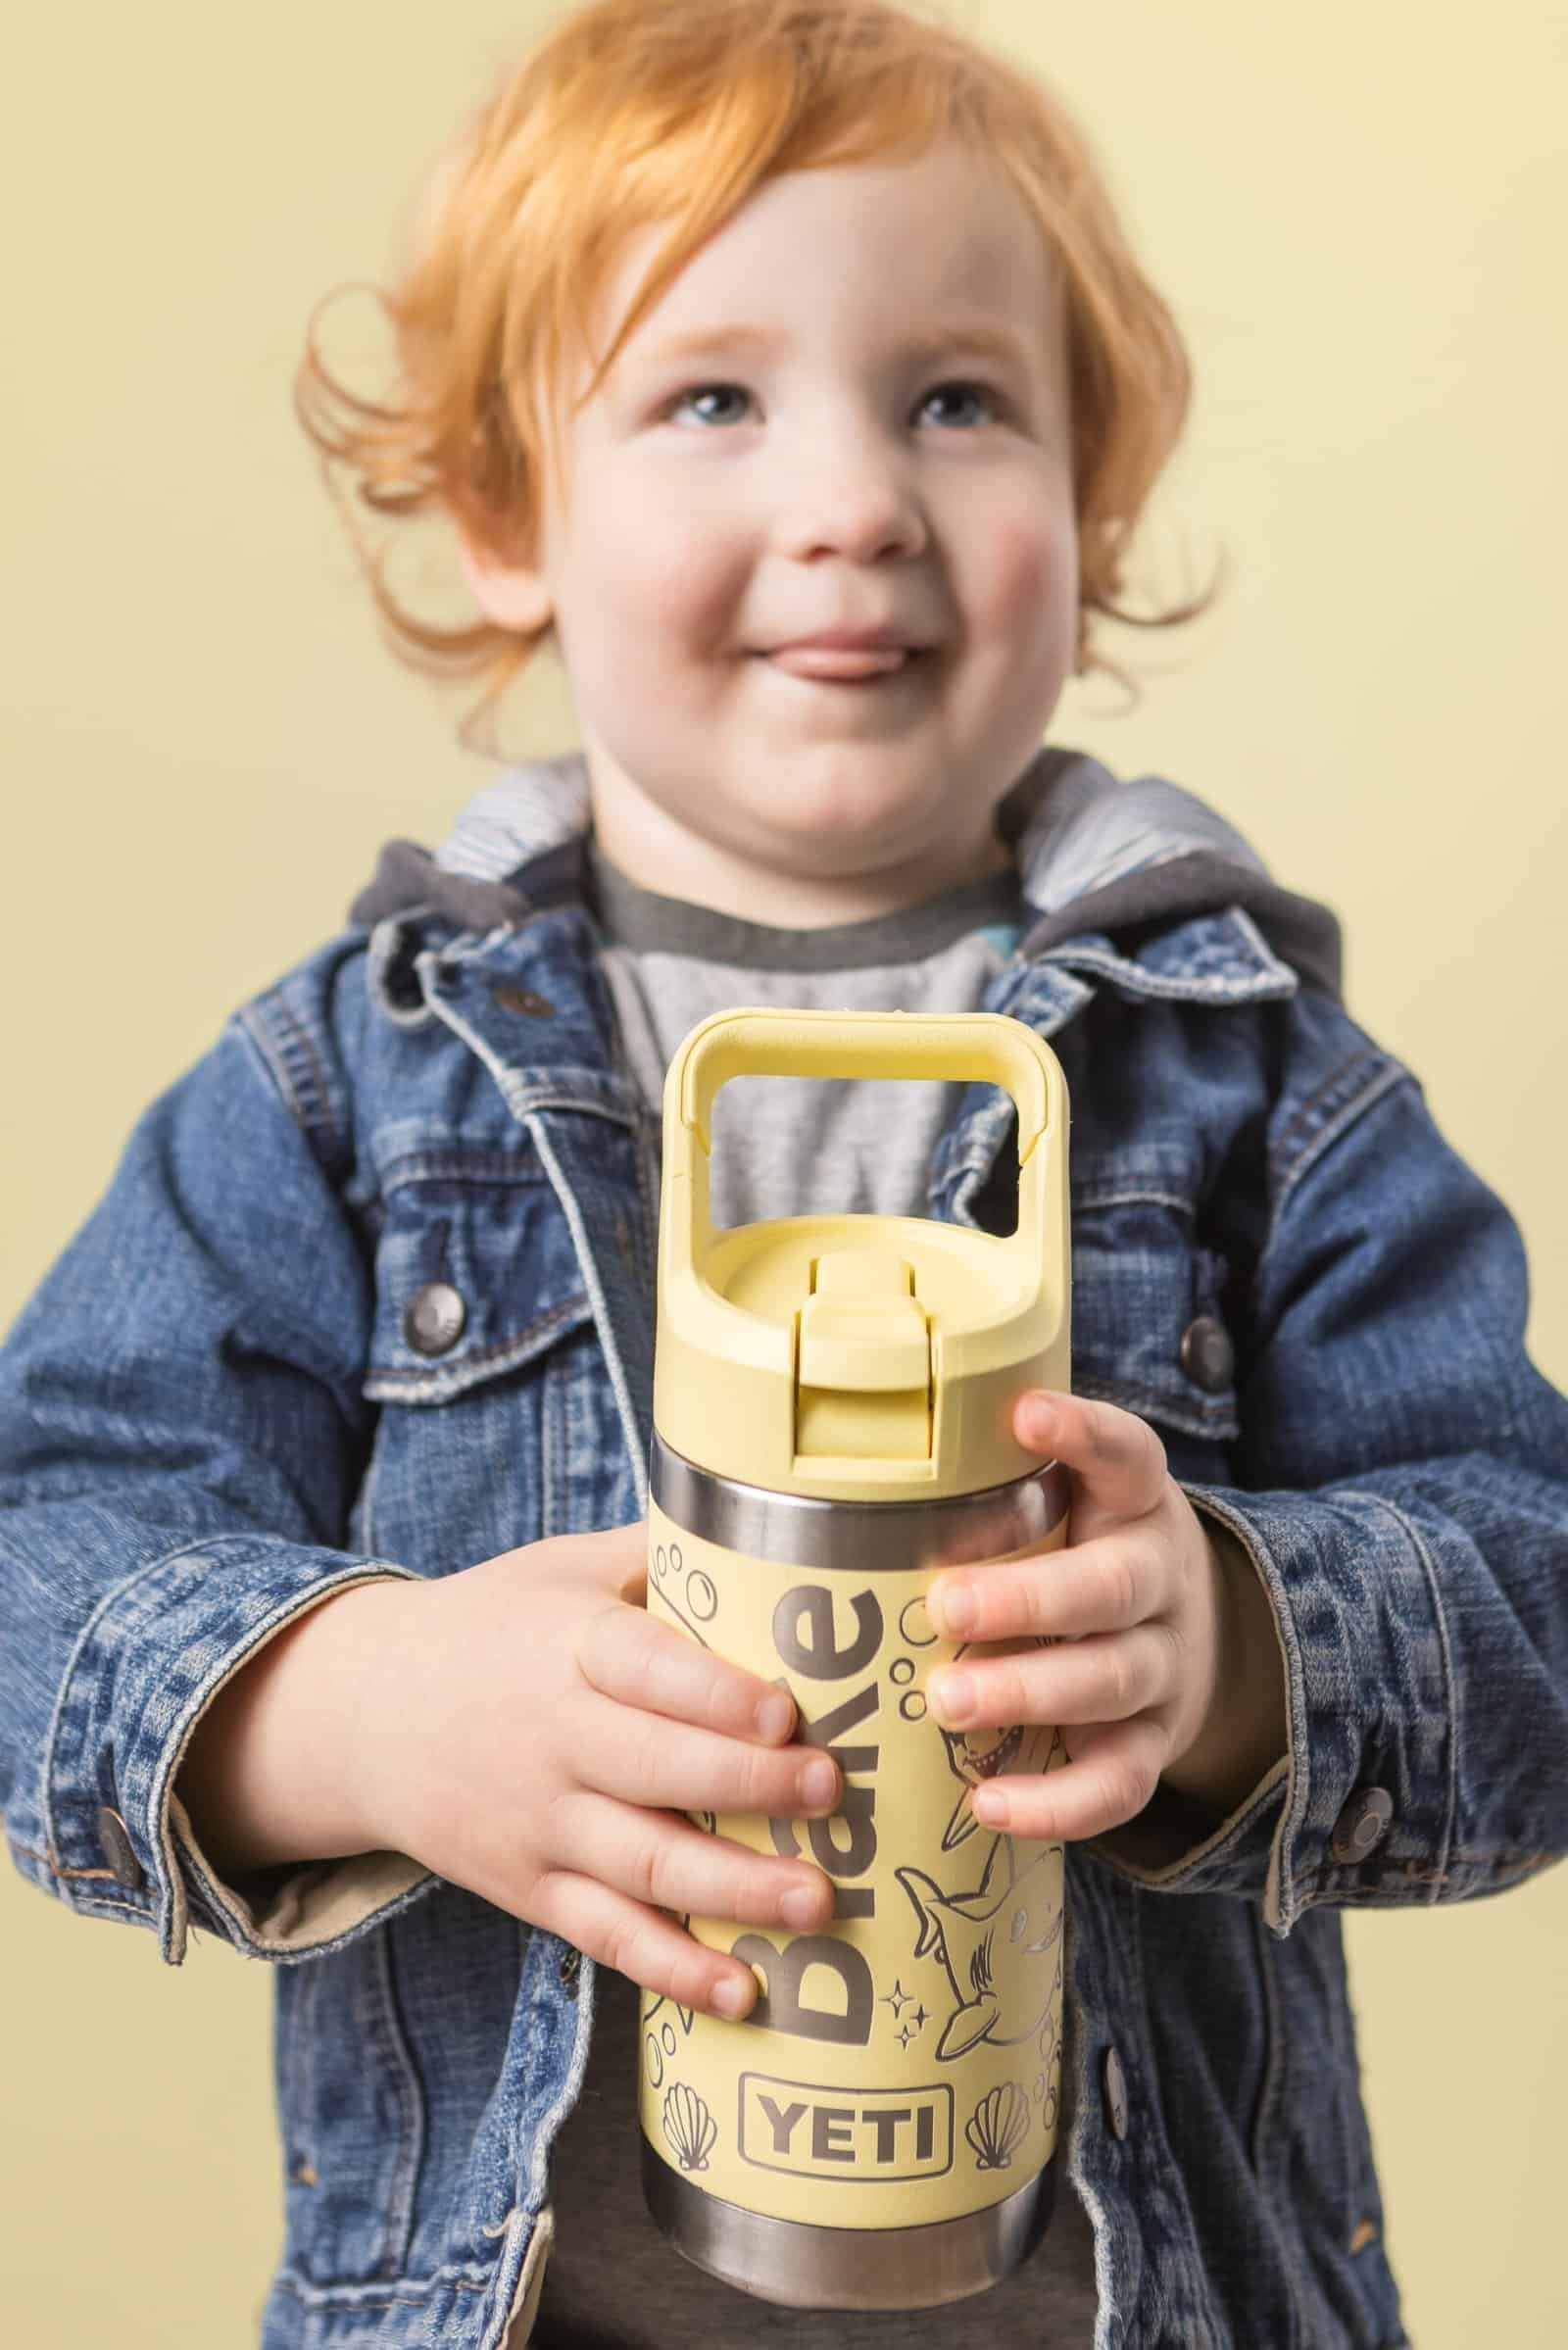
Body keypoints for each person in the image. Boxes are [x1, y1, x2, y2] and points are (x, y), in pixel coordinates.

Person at [2, 1, 1564, 2344]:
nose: (849, 498)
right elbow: (47, 1551)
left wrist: (1234, 1644)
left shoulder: (1247, 1073)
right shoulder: (354, 1088)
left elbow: (1529, 1584)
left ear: (1092, 499)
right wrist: (375, 1703)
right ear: (511, 513)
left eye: (956, 396)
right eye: (711, 398)